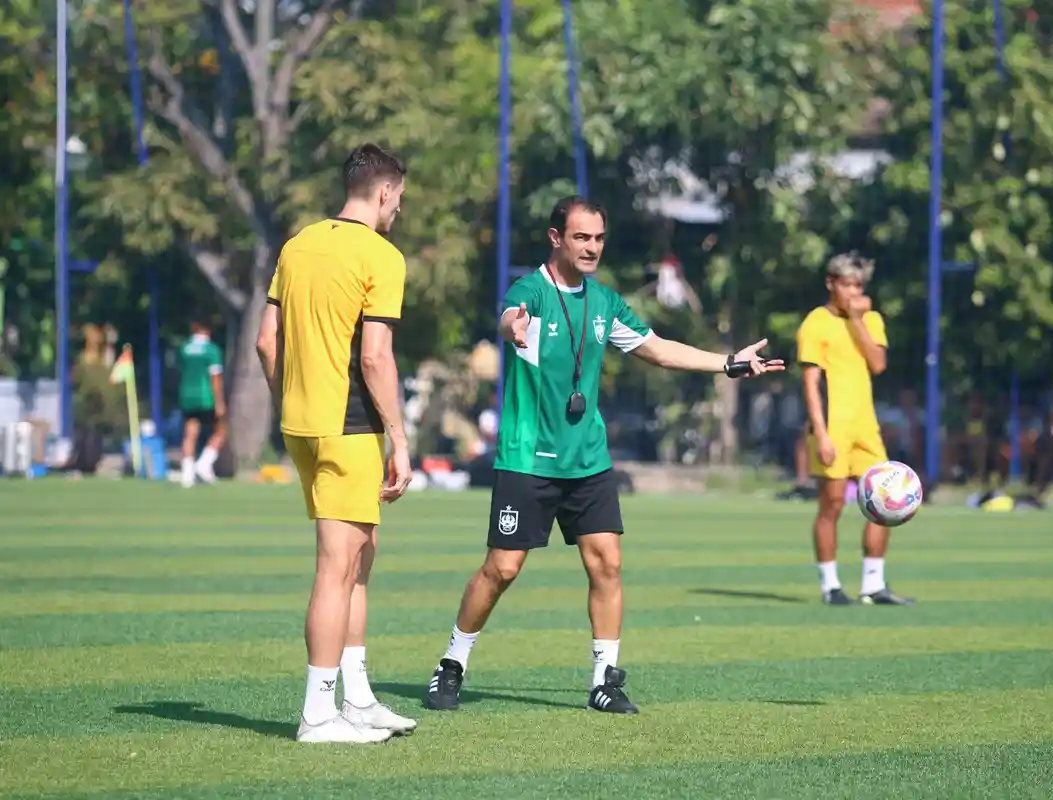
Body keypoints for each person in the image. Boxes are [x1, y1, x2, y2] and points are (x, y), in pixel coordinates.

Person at [423, 195, 784, 715]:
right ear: (556, 238)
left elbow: (657, 348)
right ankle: (451, 665)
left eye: (598, 238)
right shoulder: (532, 291)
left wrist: (727, 363)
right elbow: (508, 317)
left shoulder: (604, 302)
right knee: (501, 570)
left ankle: (604, 681)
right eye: (581, 238)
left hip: (587, 458)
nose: (591, 248)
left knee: (607, 563)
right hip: (528, 458)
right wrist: (511, 328)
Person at [255, 143, 418, 744]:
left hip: (301, 424)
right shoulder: (381, 255)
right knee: (335, 568)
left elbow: (266, 342)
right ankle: (318, 715)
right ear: (383, 192)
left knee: (359, 557)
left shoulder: (297, 245)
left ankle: (359, 698)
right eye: (398, 198)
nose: (398, 209)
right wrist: (399, 438)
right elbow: (375, 355)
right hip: (349, 427)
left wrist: (288, 405)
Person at [797, 252, 913, 606]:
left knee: (885, 502)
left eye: (859, 285)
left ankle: (873, 585)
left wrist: (858, 320)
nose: (853, 291)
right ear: (831, 284)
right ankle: (830, 585)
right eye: (847, 284)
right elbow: (811, 383)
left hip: (866, 427)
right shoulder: (815, 323)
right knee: (832, 505)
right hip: (832, 426)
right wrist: (822, 432)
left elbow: (877, 363)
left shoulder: (870, 319)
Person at [177, 320, 226, 487]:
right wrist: (219, 401)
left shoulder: (184, 348)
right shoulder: (212, 350)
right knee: (220, 430)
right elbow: (215, 378)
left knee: (190, 433)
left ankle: (187, 476)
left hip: (187, 395)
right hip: (206, 397)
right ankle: (204, 465)